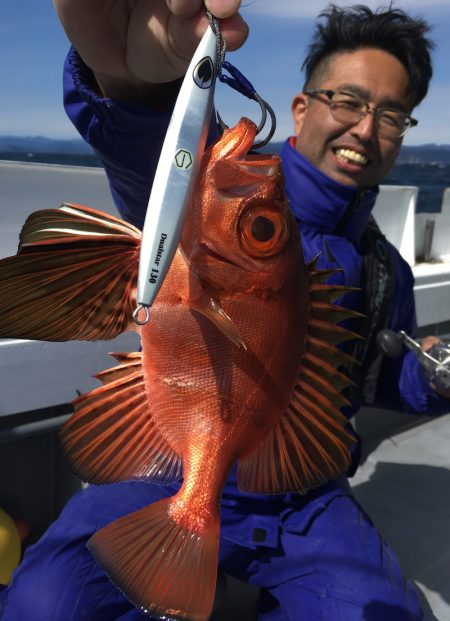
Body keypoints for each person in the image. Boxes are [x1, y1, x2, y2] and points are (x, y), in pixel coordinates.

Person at [1, 2, 449, 620]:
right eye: (348, 101)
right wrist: (135, 84)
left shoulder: (385, 268)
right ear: (301, 107)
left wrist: (436, 381)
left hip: (302, 497)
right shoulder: (213, 199)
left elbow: (374, 374)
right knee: (43, 604)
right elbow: (151, 165)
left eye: (391, 114)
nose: (366, 130)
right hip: (167, 459)